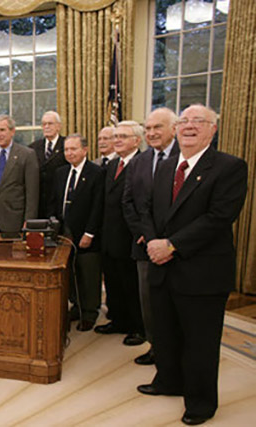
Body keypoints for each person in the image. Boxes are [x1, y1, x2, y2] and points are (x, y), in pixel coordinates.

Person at [137, 105, 247, 426]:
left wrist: (172, 245)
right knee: (166, 333)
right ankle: (168, 381)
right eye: (184, 120)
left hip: (201, 272)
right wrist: (153, 240)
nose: (189, 126)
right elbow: (149, 210)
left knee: (200, 342)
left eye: (199, 121)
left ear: (213, 129)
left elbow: (218, 218)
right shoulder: (167, 165)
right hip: (161, 266)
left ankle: (200, 402)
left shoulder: (229, 167)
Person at [122, 108, 179, 365]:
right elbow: (129, 202)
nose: (152, 133)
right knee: (149, 301)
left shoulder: (185, 156)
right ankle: (156, 346)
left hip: (177, 246)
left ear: (174, 129)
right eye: (148, 129)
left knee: (176, 302)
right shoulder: (139, 162)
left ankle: (176, 350)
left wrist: (166, 240)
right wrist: (146, 234)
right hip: (145, 245)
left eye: (158, 127)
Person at [95, 121, 144, 346]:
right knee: (113, 282)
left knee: (131, 284)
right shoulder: (112, 165)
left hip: (131, 236)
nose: (117, 140)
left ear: (137, 140)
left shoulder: (144, 164)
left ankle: (137, 327)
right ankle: (118, 320)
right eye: (115, 136)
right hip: (109, 235)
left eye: (123, 136)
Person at [48, 134, 104, 331]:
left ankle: (89, 312)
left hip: (86, 233)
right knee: (70, 273)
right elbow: (55, 202)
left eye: (73, 149)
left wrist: (90, 233)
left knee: (88, 274)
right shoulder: (61, 172)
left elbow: (98, 206)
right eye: (66, 150)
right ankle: (77, 306)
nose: (69, 153)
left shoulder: (96, 173)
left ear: (85, 150)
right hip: (64, 233)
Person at [0, 115, 39, 233]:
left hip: (14, 220)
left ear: (12, 131)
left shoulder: (27, 154)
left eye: (2, 130)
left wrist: (29, 219)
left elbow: (32, 192)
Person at [29, 111, 67, 218]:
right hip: (38, 203)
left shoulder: (67, 145)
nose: (46, 127)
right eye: (44, 124)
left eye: (50, 123)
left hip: (59, 201)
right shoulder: (33, 148)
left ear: (58, 126)